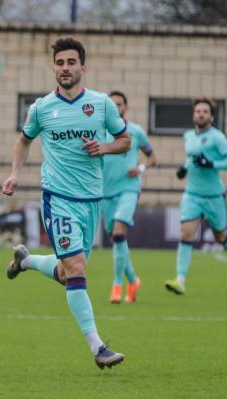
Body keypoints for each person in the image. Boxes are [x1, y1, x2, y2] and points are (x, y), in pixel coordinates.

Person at [2, 37, 130, 369]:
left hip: (92, 201)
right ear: (54, 68)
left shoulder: (102, 105)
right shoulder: (42, 108)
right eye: (60, 63)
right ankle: (98, 348)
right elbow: (23, 140)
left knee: (64, 273)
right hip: (58, 199)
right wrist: (15, 173)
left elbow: (125, 140)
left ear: (83, 68)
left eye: (71, 62)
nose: (65, 68)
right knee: (76, 270)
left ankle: (26, 261)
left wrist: (103, 148)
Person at [165, 98, 227, 294]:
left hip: (214, 196)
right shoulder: (188, 136)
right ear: (193, 115)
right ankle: (180, 280)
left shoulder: (217, 137)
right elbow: (191, 157)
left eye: (205, 111)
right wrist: (183, 168)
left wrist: (212, 164)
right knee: (185, 233)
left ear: (211, 116)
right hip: (192, 194)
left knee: (221, 236)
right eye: (198, 111)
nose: (201, 114)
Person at [101, 91, 157, 304]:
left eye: (119, 104)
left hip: (129, 189)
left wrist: (141, 167)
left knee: (118, 231)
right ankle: (133, 280)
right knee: (118, 240)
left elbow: (152, 156)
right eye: (112, 104)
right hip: (106, 193)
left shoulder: (135, 132)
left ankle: (117, 285)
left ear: (126, 107)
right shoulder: (101, 131)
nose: (116, 107)